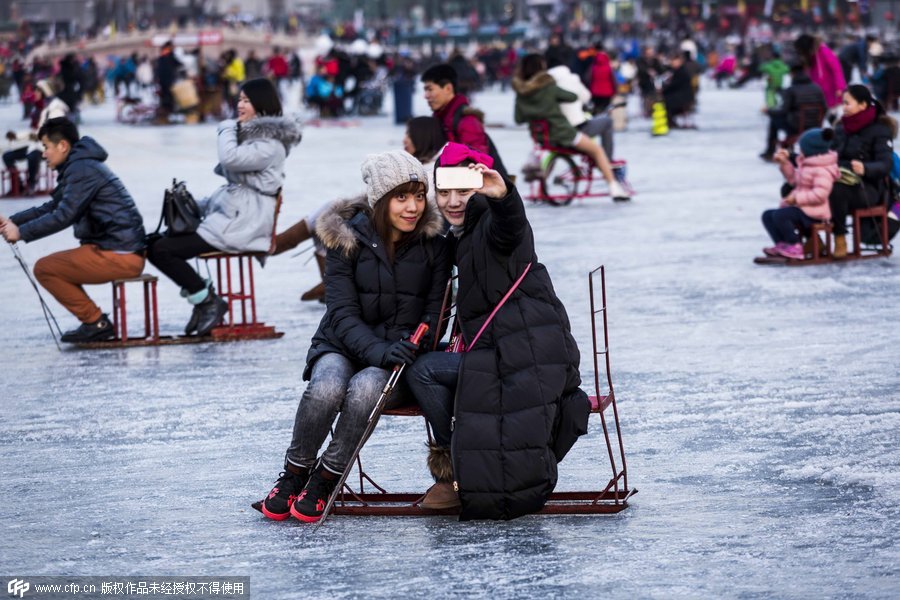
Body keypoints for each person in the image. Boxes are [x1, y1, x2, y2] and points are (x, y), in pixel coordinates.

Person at [258, 150, 450, 523]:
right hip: (341, 344)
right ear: (380, 200)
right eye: (401, 197)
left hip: (398, 358)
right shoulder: (345, 240)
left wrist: (415, 342)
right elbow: (341, 313)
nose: (413, 207)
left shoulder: (434, 243)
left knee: (364, 390)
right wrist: (380, 349)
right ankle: (295, 472)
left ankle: (327, 478)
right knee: (327, 386)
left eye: (418, 195)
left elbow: (433, 312)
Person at [406, 142, 590, 519]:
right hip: (506, 345)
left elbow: (511, 226)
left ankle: (454, 467)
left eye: (463, 191)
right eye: (444, 192)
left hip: (525, 353)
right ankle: (457, 464)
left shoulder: (491, 223)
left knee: (423, 371)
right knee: (429, 362)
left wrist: (503, 194)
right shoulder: (461, 235)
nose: (452, 201)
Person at [147, 78, 301, 336]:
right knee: (154, 244)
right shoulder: (255, 139)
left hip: (243, 225)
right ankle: (203, 298)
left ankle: (207, 301)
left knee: (163, 250)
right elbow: (234, 189)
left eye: (246, 100)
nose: (239, 105)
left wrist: (227, 128)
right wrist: (193, 205)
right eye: (239, 99)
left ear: (261, 105)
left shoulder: (270, 145)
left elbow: (229, 158)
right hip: (232, 219)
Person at [0, 117, 146, 343]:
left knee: (46, 269)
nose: (44, 154)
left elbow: (64, 215)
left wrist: (21, 233)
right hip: (116, 248)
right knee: (50, 267)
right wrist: (14, 222)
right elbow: (53, 206)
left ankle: (96, 322)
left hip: (120, 253)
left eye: (46, 147)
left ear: (63, 146)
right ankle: (94, 321)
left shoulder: (82, 169)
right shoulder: (80, 165)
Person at [272, 116, 447, 303]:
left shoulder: (428, 174)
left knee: (330, 215)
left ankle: (277, 247)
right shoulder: (413, 167)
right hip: (380, 227)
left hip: (392, 231)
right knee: (331, 215)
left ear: (422, 137)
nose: (404, 139)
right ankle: (321, 275)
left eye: (408, 134)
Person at [512, 53, 630, 201]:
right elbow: (572, 97)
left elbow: (518, 118)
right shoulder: (548, 86)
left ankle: (541, 191)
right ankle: (614, 187)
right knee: (597, 150)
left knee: (555, 152)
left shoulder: (521, 93)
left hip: (542, 137)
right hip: (563, 133)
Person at [828, 85, 896, 258]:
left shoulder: (880, 131)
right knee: (796, 188)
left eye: (847, 103)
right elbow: (827, 153)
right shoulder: (841, 129)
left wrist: (866, 168)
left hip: (869, 188)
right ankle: (811, 240)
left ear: (863, 105)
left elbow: (886, 163)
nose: (843, 107)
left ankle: (840, 237)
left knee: (837, 191)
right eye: (842, 103)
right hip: (840, 178)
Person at [761, 128, 839, 260]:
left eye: (801, 148)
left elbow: (820, 194)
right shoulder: (807, 165)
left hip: (815, 213)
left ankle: (795, 245)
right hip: (803, 209)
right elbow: (794, 180)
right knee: (768, 215)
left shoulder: (822, 170)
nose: (799, 151)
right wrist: (784, 163)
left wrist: (797, 199)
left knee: (781, 215)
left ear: (811, 149)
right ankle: (783, 244)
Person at [3, 79, 69, 195]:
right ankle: (18, 186)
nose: (35, 94)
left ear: (45, 92)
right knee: (7, 156)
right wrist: (17, 136)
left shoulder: (55, 108)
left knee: (32, 156)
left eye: (38, 91)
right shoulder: (40, 109)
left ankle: (31, 184)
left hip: (49, 147)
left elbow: (57, 131)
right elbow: (34, 131)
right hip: (36, 144)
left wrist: (41, 136)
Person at [760, 63, 827, 161]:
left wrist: (768, 111)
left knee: (774, 120)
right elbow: (825, 108)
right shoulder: (817, 88)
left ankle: (770, 152)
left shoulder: (791, 90)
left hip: (796, 127)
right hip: (816, 125)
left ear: (792, 74)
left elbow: (783, 111)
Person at [794, 34, 846, 114]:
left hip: (831, 91)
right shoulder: (811, 56)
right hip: (820, 92)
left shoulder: (823, 51)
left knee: (832, 115)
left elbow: (836, 68)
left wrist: (840, 87)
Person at [662, 51, 695, 128]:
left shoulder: (682, 71)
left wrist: (663, 90)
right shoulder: (676, 71)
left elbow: (674, 85)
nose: (673, 63)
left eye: (675, 62)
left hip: (683, 97)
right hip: (680, 95)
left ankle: (670, 121)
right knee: (665, 100)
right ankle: (670, 121)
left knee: (665, 102)